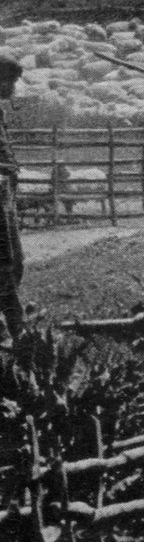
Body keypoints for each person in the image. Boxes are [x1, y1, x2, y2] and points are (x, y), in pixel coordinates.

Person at [0, 57, 24, 347]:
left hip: (5, 187)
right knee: (6, 260)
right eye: (10, 81)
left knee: (15, 261)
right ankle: (15, 327)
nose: (14, 87)